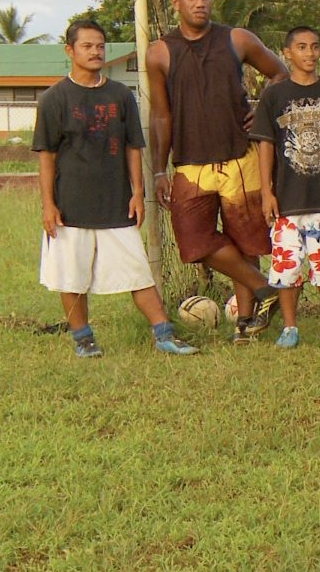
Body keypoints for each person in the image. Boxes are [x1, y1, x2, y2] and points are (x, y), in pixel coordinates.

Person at [35, 19, 199, 358]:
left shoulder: (120, 94)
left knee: (137, 270)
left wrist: (138, 192)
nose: (95, 52)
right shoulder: (54, 98)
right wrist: (48, 204)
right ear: (70, 50)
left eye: (100, 45)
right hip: (70, 206)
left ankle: (164, 334)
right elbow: (47, 156)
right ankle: (84, 339)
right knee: (72, 277)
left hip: (116, 204)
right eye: (87, 46)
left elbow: (132, 147)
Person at [147, 0, 287, 344]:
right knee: (194, 242)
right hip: (190, 165)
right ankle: (265, 288)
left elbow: (280, 73)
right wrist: (159, 170)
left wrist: (262, 108)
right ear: (175, 2)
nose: (200, 3)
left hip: (241, 157)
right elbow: (161, 114)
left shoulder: (237, 39)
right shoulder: (160, 52)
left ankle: (247, 324)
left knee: (246, 242)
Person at [250, 27, 320, 348]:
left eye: (314, 47)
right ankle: (290, 328)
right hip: (287, 198)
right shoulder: (274, 96)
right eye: (301, 47)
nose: (309, 53)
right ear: (287, 53)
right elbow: (266, 146)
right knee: (287, 267)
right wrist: (267, 191)